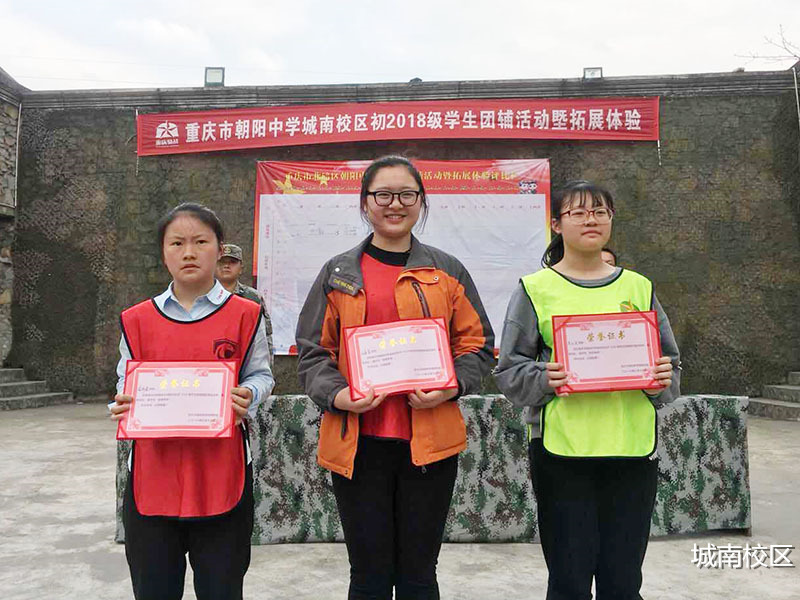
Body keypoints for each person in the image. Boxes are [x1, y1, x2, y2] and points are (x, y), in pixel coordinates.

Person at [296, 155, 494, 599]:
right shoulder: (338, 274)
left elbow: (478, 345)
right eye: (383, 194)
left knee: (419, 574)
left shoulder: (447, 271)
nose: (395, 204)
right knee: (368, 574)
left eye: (406, 194)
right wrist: (338, 395)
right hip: (358, 445)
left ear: (421, 201)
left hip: (429, 445)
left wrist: (450, 386)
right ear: (365, 202)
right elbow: (313, 352)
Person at [494, 180, 680, 600]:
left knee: (623, 580)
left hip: (632, 449)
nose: (590, 219)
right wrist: (545, 378)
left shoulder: (639, 287)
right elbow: (509, 371)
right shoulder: (535, 289)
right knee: (569, 578)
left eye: (599, 211)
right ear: (556, 224)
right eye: (577, 212)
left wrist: (661, 380)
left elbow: (671, 366)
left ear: (611, 219)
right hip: (562, 452)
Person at [110, 203, 274, 600]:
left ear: (219, 249)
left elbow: (262, 375)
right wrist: (122, 403)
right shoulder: (136, 320)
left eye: (200, 242)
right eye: (177, 243)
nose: (189, 252)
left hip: (223, 474)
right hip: (152, 476)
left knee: (222, 589)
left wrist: (249, 395)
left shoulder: (246, 315)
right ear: (163, 252)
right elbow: (124, 380)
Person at [216, 243, 275, 365]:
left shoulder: (252, 297)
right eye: (222, 262)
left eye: (232, 262)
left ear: (241, 268)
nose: (226, 266)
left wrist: (266, 367)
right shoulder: (202, 296)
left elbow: (265, 336)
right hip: (212, 364)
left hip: (245, 362)